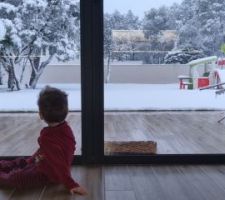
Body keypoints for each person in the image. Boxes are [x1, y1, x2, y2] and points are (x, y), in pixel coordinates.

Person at [0, 86, 87, 195]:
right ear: (66, 111)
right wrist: (30, 161)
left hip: (48, 175)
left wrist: (71, 184)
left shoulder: (48, 138)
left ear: (41, 115)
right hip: (43, 164)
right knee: (21, 162)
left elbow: (59, 164)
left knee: (16, 178)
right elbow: (48, 152)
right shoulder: (65, 129)